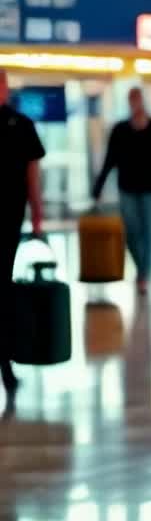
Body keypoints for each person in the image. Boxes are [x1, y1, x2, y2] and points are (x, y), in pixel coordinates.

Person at [93, 87, 151, 294]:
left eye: (138, 100)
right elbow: (110, 159)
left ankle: (144, 276)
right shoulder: (119, 130)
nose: (135, 104)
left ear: (143, 101)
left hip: (150, 190)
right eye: (132, 100)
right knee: (131, 233)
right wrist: (99, 186)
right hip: (127, 189)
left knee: (150, 234)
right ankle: (142, 269)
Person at [0, 71, 45, 411]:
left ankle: (6, 365)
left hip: (8, 221)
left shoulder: (22, 125)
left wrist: (38, 216)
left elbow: (33, 174)